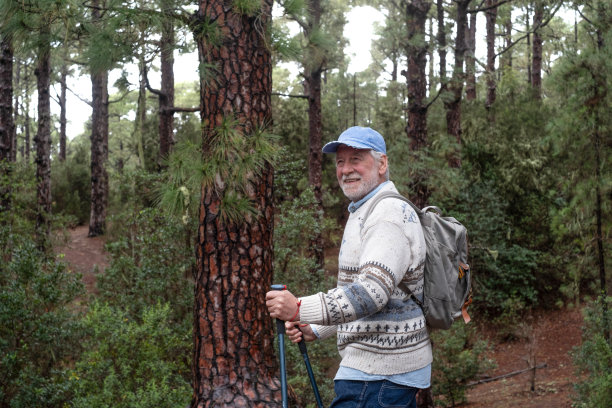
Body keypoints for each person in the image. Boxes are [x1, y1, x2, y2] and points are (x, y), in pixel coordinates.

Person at [266, 126, 432, 408]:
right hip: (383, 375)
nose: (345, 169)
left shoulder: (386, 215)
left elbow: (371, 294)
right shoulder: (365, 210)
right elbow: (378, 299)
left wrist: (297, 308)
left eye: (356, 159)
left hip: (379, 377)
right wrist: (317, 328)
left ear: (382, 164)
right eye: (340, 162)